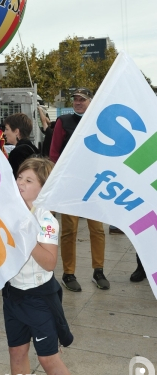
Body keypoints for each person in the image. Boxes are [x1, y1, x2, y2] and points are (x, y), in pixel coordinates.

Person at [2, 158, 76, 375]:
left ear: (43, 189)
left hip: (39, 299)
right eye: (19, 177)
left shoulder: (46, 221)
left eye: (28, 180)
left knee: (48, 360)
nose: (20, 183)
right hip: (13, 295)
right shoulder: (9, 212)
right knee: (16, 353)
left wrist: (27, 236)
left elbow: (49, 263)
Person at [49, 88, 109, 292]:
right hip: (70, 185)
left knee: (97, 229)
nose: (77, 102)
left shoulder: (99, 122)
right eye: (75, 99)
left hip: (94, 184)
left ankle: (98, 271)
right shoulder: (63, 122)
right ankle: (68, 273)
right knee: (69, 230)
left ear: (90, 101)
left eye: (82, 99)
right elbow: (54, 153)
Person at [4, 113, 39, 178]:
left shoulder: (18, 152)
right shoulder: (33, 148)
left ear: (16, 131)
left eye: (6, 129)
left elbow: (14, 178)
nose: (4, 133)